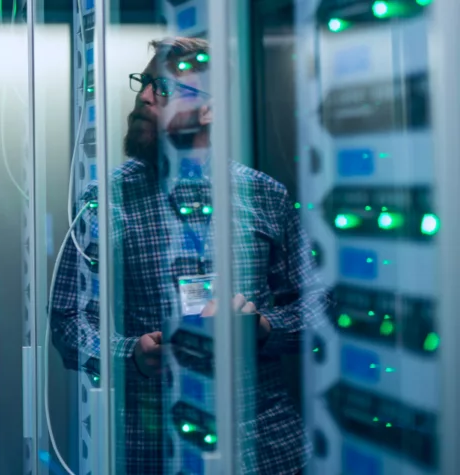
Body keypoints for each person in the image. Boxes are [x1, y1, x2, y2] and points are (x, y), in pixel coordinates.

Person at [51, 37, 328, 474]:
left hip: (262, 444)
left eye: (162, 89)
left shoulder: (265, 195)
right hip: (155, 444)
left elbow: (322, 308)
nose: (143, 97)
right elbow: (68, 320)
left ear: (209, 109)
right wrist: (132, 355)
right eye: (143, 83)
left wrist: (264, 328)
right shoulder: (104, 202)